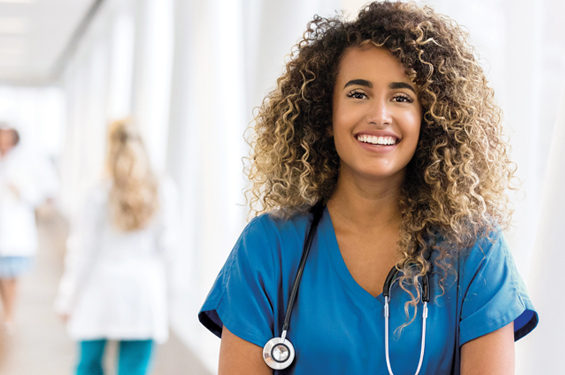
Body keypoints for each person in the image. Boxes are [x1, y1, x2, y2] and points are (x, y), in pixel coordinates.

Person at [198, 1, 539, 374]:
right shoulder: (267, 248)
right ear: (325, 114)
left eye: (402, 97)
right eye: (358, 94)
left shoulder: (476, 251)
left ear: (431, 119)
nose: (379, 115)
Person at [55, 119, 178, 375]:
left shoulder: (97, 190)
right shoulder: (163, 188)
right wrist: (169, 298)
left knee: (88, 364)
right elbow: (168, 249)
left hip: (100, 288)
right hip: (144, 290)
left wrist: (67, 297)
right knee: (134, 369)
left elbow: (83, 249)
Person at [0, 125, 57, 335]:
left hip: (14, 228)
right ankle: (7, 312)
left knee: (11, 274)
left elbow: (40, 193)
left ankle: (9, 315)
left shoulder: (25, 162)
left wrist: (20, 188)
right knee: (3, 276)